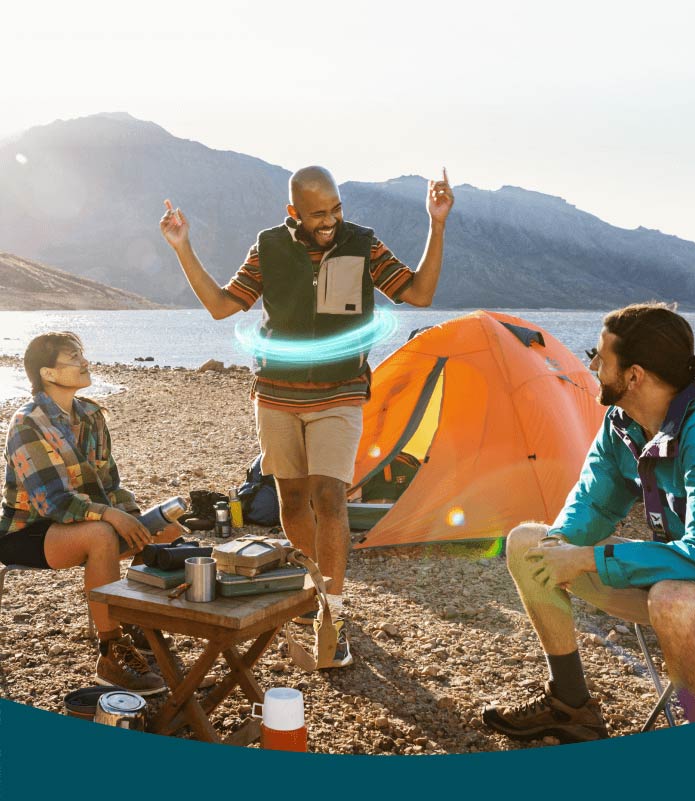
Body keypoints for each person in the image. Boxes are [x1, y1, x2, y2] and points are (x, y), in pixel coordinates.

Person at [160, 165, 454, 667]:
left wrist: (438, 222)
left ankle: (332, 613)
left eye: (336, 209)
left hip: (339, 394)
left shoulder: (362, 244)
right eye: (319, 214)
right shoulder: (269, 247)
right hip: (276, 394)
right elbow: (221, 306)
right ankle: (311, 586)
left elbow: (418, 293)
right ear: (293, 212)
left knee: (330, 497)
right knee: (291, 498)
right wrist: (182, 247)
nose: (330, 221)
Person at [482, 303, 695, 743]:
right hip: (690, 576)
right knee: (529, 543)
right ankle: (570, 707)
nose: (590, 365)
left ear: (634, 375)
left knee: (673, 600)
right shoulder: (623, 422)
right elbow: (593, 504)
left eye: (600, 357)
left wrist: (590, 559)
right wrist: (561, 545)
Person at [0, 332, 181, 694]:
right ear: (48, 373)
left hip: (82, 522)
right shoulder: (27, 423)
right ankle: (110, 652)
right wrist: (111, 517)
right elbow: (52, 502)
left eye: (83, 354)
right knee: (100, 535)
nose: (85, 362)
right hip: (28, 532)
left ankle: (135, 620)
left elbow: (110, 484)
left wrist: (133, 514)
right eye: (74, 357)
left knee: (168, 531)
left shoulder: (92, 415)